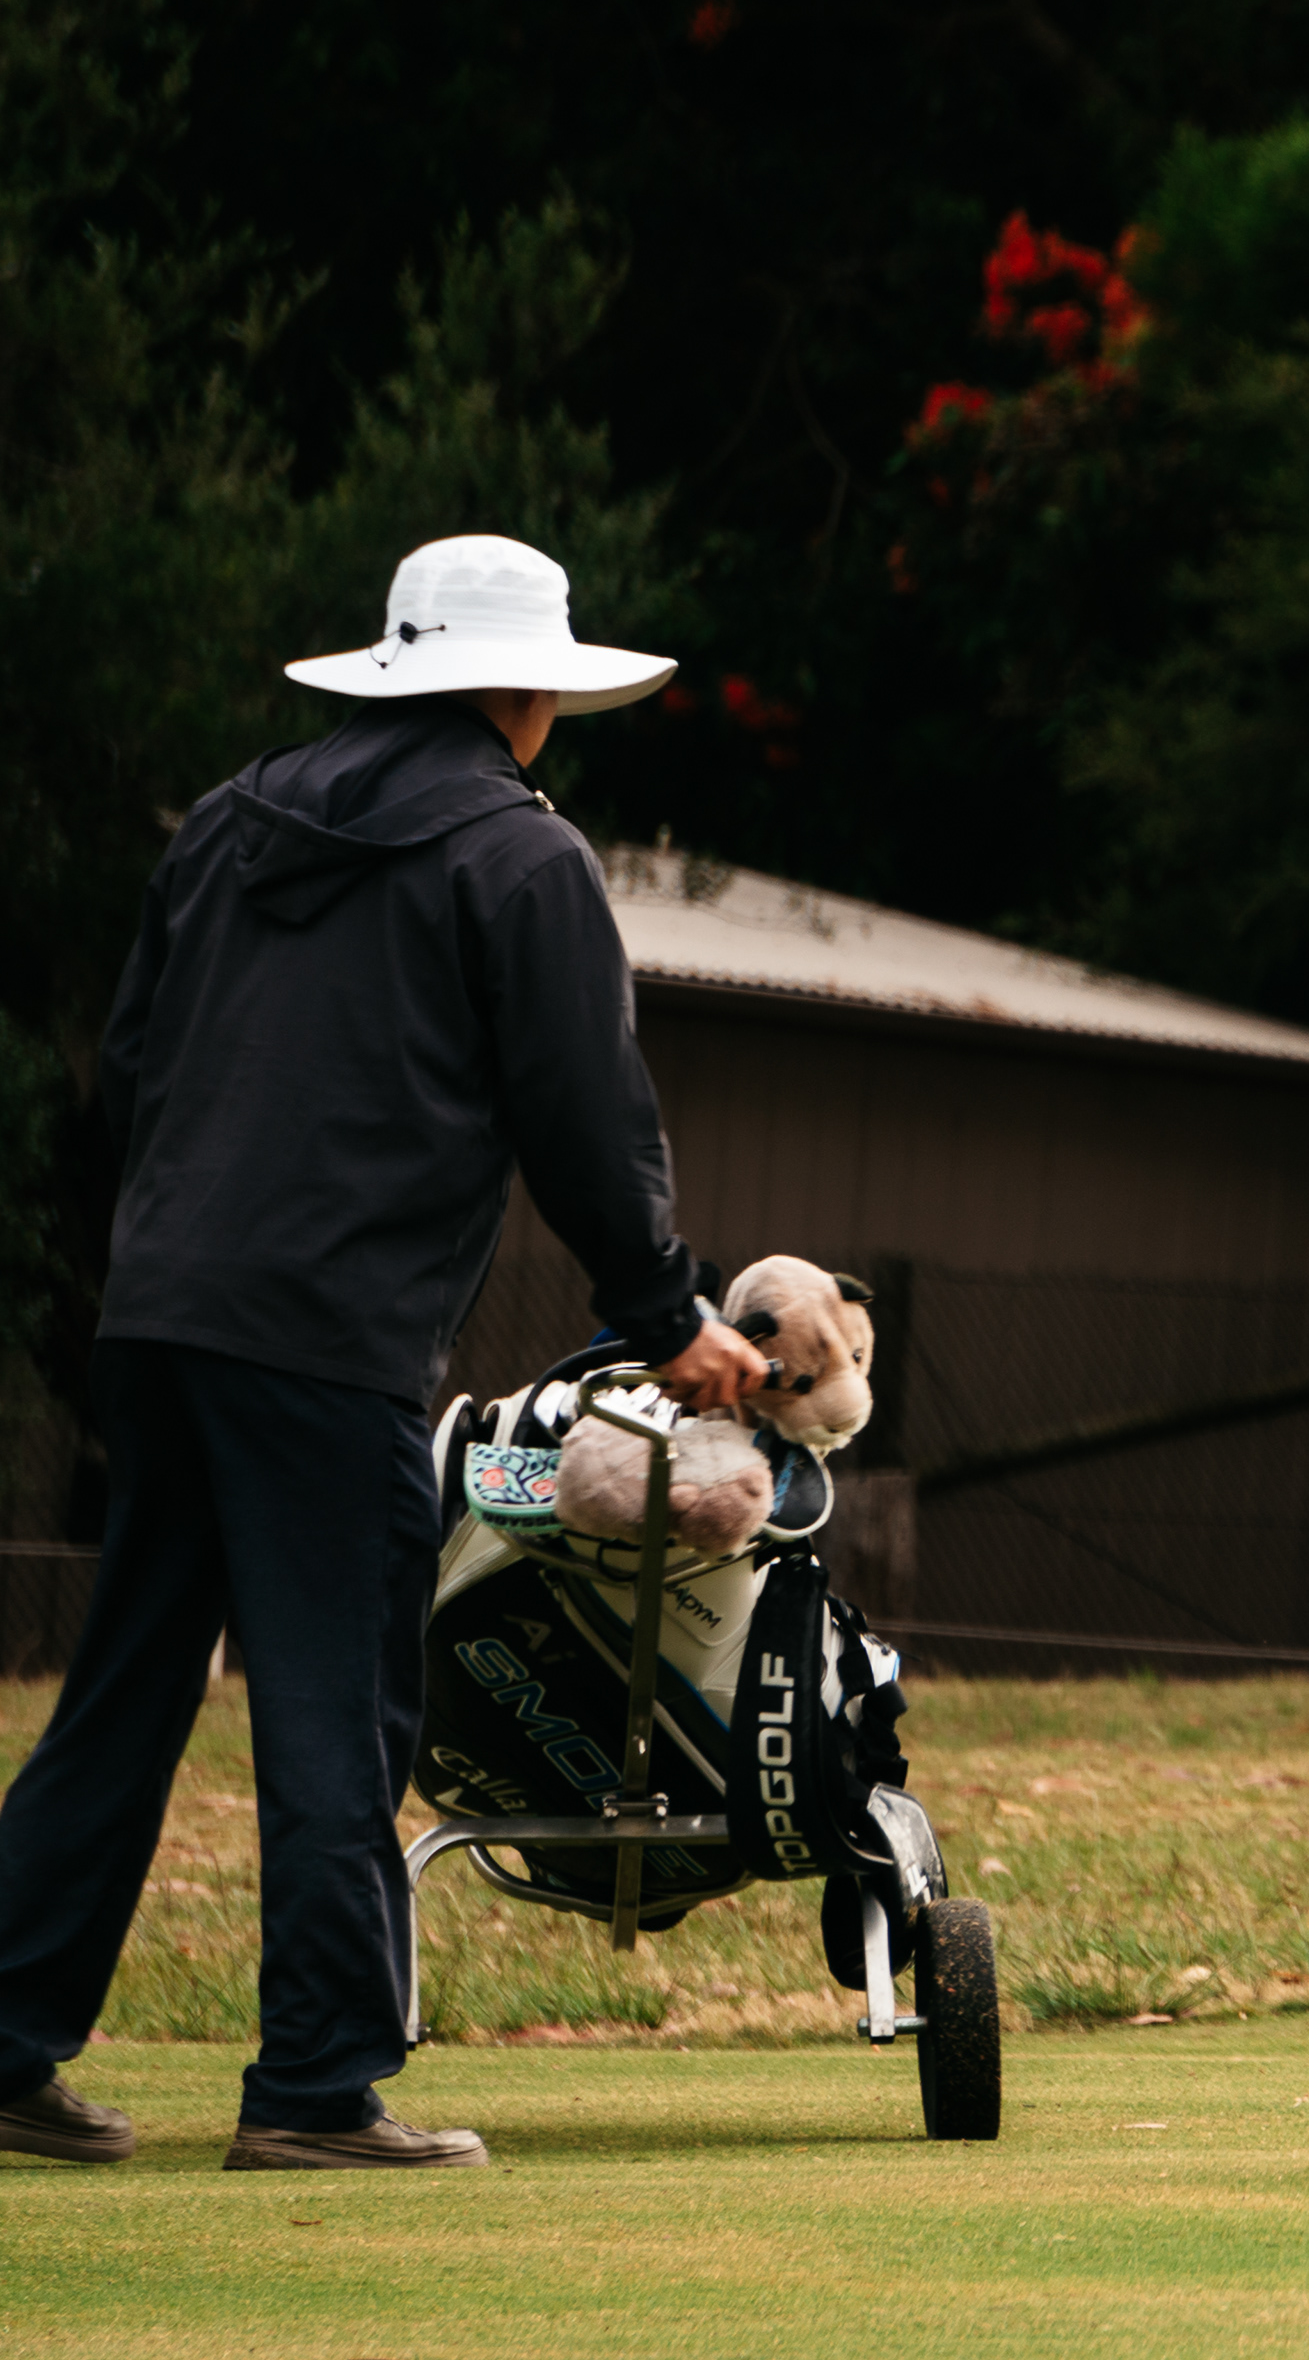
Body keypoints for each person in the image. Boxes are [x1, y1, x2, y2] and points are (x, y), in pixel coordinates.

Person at [0, 535, 768, 2172]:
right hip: (327, 1336)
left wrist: (160, 1253)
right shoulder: (522, 858)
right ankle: (315, 2087)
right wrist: (671, 1315)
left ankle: (1, 2042)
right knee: (339, 1701)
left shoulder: (226, 821)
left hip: (162, 1313)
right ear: (527, 692)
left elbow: (123, 1079)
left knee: (125, 1687)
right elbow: (585, 1116)